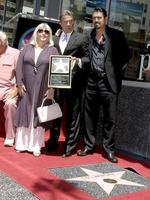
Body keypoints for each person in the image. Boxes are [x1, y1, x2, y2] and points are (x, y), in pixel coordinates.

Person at [77, 7, 130, 163]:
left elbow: (126, 56)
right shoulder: (88, 34)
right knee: (89, 116)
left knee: (110, 118)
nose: (96, 20)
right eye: (94, 18)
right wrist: (59, 34)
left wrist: (114, 71)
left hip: (108, 82)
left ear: (105, 19)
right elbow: (78, 48)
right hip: (91, 81)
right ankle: (88, 146)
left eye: (99, 17)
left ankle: (109, 149)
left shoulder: (116, 35)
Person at [46, 10, 88, 157]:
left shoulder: (81, 38)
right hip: (57, 83)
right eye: (66, 21)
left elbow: (88, 58)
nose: (69, 24)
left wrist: (78, 61)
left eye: (71, 21)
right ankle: (52, 142)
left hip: (73, 84)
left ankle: (69, 146)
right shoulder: (54, 39)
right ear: (61, 23)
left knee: (72, 115)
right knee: (55, 114)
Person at [15, 23, 59, 156]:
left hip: (42, 88)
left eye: (46, 32)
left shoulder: (53, 50)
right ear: (36, 33)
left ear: (49, 35)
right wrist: (18, 82)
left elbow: (56, 71)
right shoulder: (27, 48)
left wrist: (52, 88)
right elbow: (18, 66)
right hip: (26, 87)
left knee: (38, 116)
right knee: (24, 113)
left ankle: (36, 146)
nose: (43, 34)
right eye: (40, 31)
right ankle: (21, 144)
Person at [0, 31, 19, 147]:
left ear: (2, 42)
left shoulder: (15, 53)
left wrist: (16, 89)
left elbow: (22, 75)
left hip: (9, 89)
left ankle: (10, 136)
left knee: (11, 104)